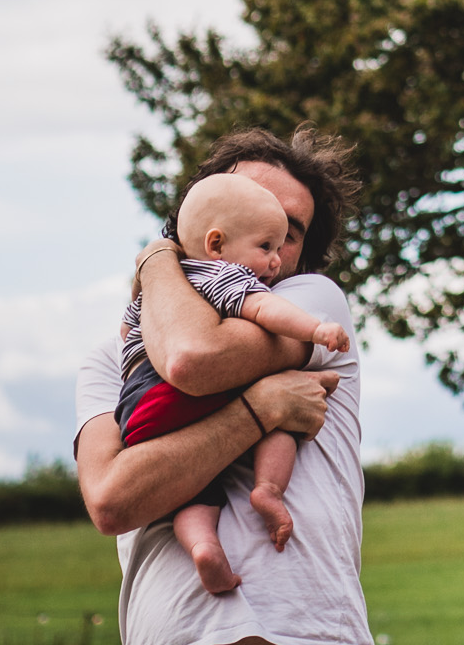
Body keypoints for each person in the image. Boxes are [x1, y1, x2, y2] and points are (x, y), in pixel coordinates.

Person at [75, 126, 382, 645]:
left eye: (290, 231)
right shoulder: (110, 362)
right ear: (205, 221)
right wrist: (259, 409)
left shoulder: (307, 305)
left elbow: (192, 358)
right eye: (250, 203)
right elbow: (112, 501)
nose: (271, 235)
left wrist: (157, 259)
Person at [117, 174, 352, 594]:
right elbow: (248, 319)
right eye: (265, 246)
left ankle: (204, 546)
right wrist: (317, 330)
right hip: (172, 392)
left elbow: (126, 336)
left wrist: (153, 263)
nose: (275, 260)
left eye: (285, 243)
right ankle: (268, 489)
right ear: (217, 243)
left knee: (191, 495)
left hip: (136, 409)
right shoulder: (228, 276)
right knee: (284, 398)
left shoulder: (153, 299)